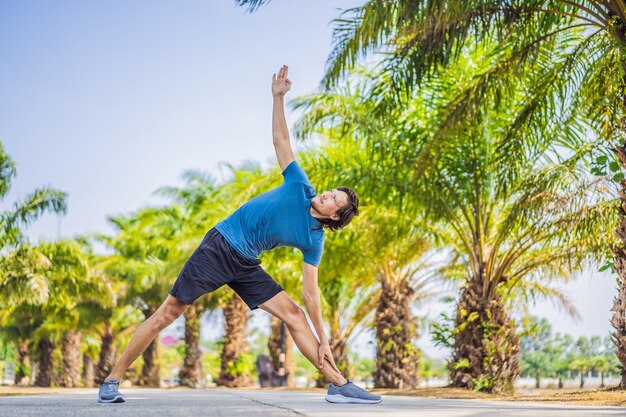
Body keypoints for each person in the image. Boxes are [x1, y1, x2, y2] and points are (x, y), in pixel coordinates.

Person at [98, 65, 382, 405]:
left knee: (293, 314)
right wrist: (278, 98)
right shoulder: (299, 186)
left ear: (335, 215)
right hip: (219, 247)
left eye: (334, 199)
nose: (327, 195)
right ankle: (112, 382)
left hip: (246, 264)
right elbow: (280, 140)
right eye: (331, 191)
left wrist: (324, 338)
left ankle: (337, 383)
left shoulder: (314, 239)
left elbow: (311, 294)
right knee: (168, 313)